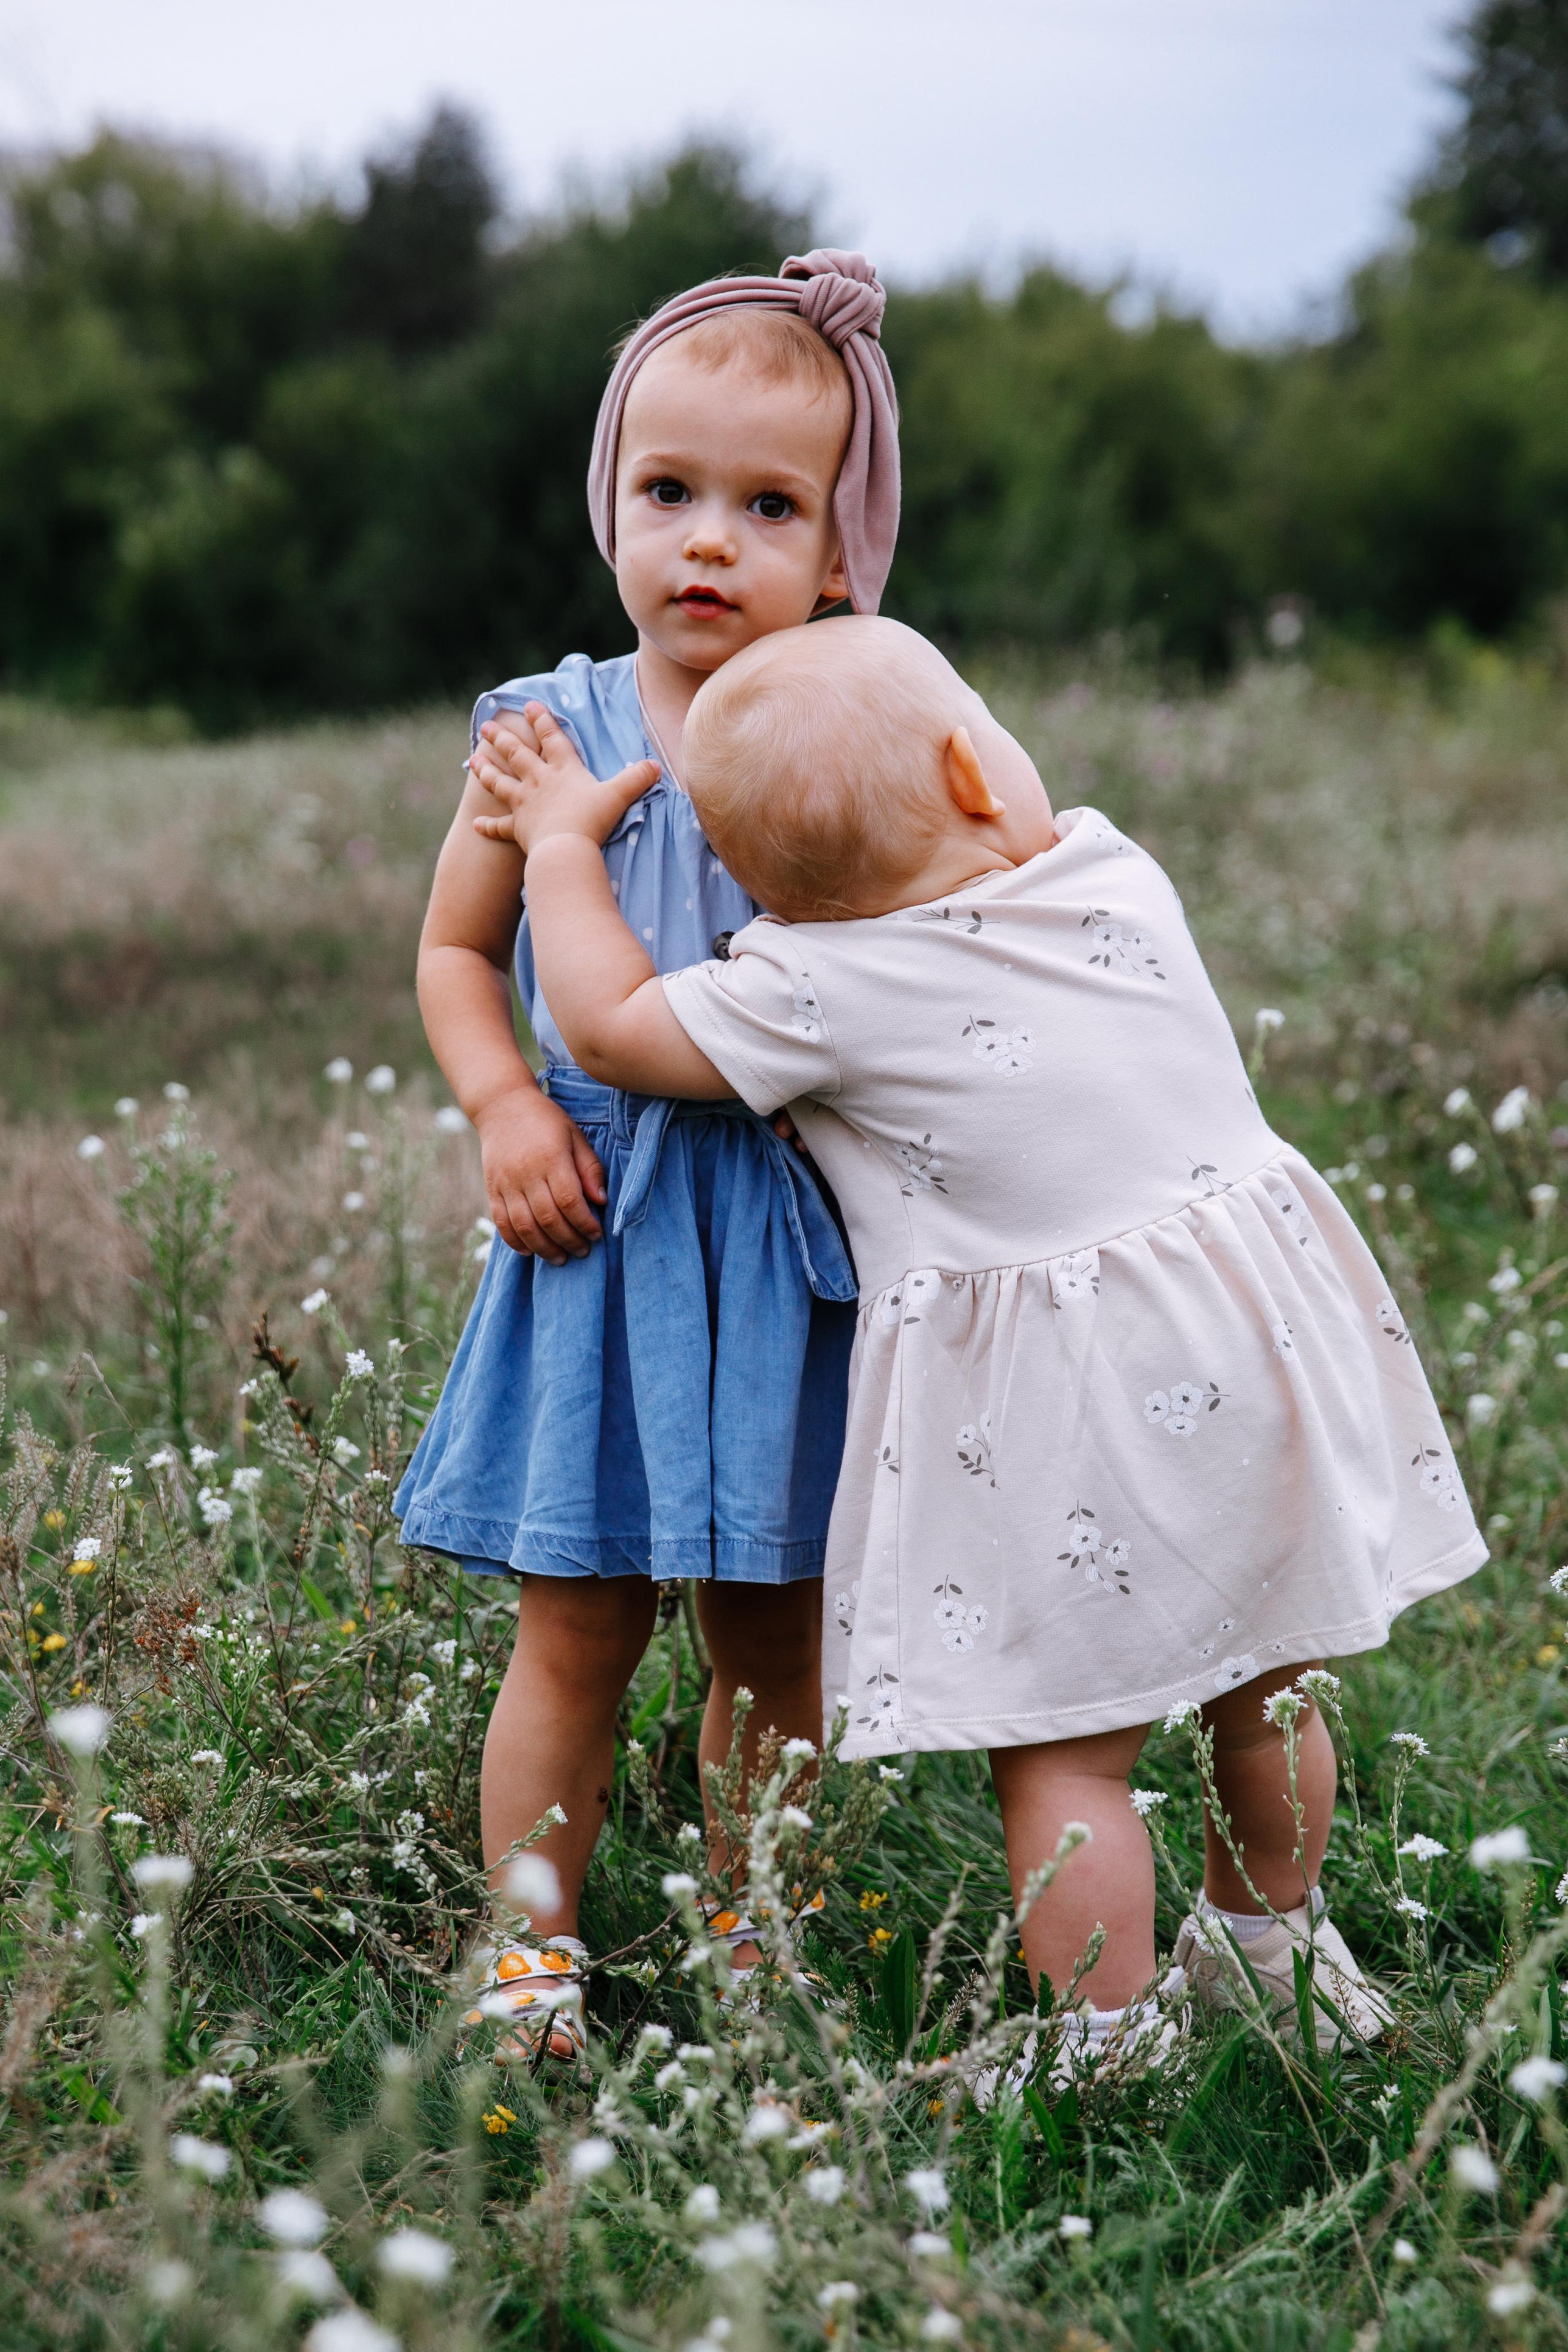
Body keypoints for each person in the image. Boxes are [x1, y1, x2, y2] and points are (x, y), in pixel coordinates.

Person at [472, 614, 1488, 2062]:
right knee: (1269, 1685)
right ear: (975, 768)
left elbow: (614, 1024)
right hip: (1258, 1352)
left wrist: (566, 849)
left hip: (1065, 1413)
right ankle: (1273, 1957)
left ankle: (1103, 2037)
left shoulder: (813, 987)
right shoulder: (1108, 871)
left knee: (1068, 1747)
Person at [394, 251, 900, 2058]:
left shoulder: (858, 731)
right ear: (608, 499)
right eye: (666, 491)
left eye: (769, 507)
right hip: (594, 1221)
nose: (708, 540)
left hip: (781, 1225)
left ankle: (759, 1945)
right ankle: (530, 1958)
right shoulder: (543, 733)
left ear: (842, 552)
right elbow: (460, 951)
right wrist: (506, 1105)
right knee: (577, 1633)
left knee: (776, 1642)